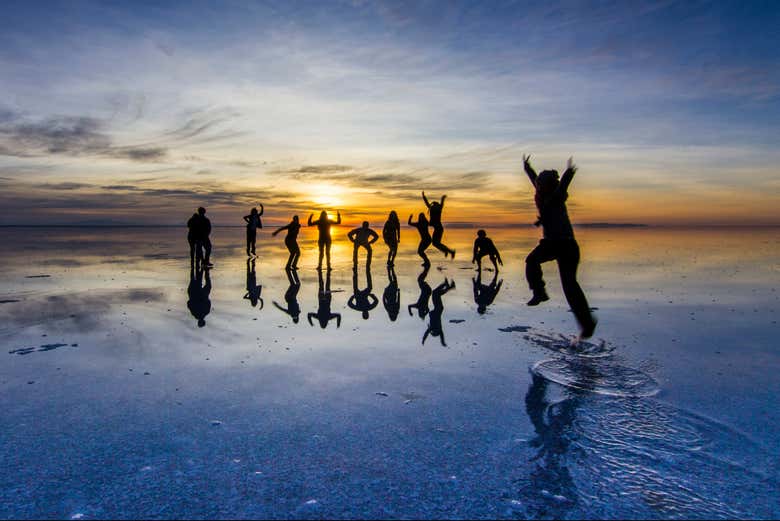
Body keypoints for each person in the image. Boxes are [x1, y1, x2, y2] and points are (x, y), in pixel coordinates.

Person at [521, 154, 597, 339]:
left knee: (569, 285)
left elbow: (563, 185)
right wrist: (527, 167)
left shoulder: (556, 196)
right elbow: (533, 179)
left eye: (541, 182)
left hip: (565, 245)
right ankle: (539, 292)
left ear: (548, 184)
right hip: (551, 243)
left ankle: (587, 324)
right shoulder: (540, 191)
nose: (537, 184)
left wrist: (568, 172)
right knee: (532, 261)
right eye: (538, 182)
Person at [422, 278, 455, 346]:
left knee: (437, 294)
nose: (431, 331)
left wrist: (424, 339)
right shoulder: (433, 327)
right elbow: (427, 333)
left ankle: (448, 286)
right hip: (438, 308)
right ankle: (446, 285)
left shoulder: (436, 329)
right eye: (432, 332)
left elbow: (439, 335)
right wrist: (423, 339)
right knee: (435, 293)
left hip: (438, 308)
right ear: (434, 331)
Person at [422, 191, 455, 259]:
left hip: (439, 229)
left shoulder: (437, 209)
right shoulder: (436, 208)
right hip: (438, 228)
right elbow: (428, 204)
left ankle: (450, 251)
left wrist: (424, 197)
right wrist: (424, 197)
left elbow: (428, 204)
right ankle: (447, 251)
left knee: (435, 243)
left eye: (433, 206)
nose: (433, 207)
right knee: (436, 243)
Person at [187, 263, 212, 328]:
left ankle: (205, 271)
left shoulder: (206, 312)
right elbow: (188, 303)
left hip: (197, 294)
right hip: (195, 293)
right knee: (195, 279)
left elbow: (209, 302)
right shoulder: (196, 313)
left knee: (206, 284)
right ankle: (204, 270)